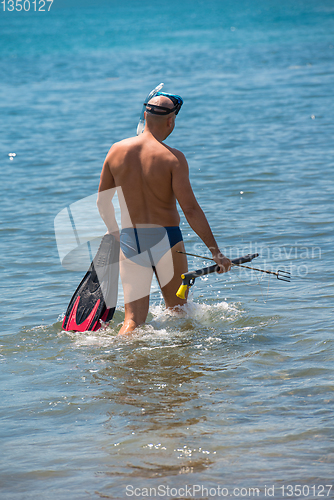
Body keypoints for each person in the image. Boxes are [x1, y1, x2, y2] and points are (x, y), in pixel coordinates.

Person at [97, 91, 231, 335]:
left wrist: (114, 232)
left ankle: (122, 361)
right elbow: (190, 210)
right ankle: (176, 365)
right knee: (178, 312)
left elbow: (102, 201)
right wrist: (216, 252)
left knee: (133, 321)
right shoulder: (173, 158)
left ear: (145, 117)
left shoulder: (115, 150)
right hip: (166, 239)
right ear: (171, 121)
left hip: (130, 240)